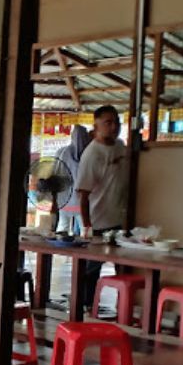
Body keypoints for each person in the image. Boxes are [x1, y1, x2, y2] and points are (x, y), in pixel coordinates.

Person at [76, 105, 129, 311]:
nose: (114, 127)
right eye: (108, 122)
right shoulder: (92, 155)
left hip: (120, 220)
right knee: (91, 269)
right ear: (96, 125)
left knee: (123, 268)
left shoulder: (121, 147)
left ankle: (124, 308)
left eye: (117, 122)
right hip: (98, 222)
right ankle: (86, 307)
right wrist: (87, 227)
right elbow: (83, 195)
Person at [55, 125, 91, 234]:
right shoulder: (88, 153)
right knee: (85, 230)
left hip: (64, 199)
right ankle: (85, 249)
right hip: (82, 201)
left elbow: (54, 173)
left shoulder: (61, 152)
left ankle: (59, 248)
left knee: (62, 227)